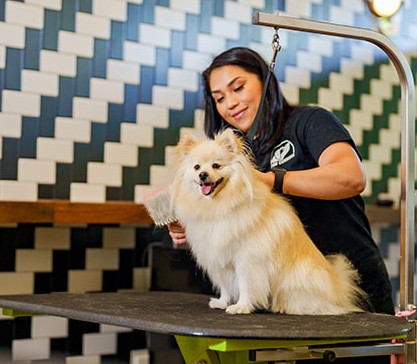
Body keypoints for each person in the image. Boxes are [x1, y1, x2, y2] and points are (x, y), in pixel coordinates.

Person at [167, 47, 395, 319]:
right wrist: (195, 222)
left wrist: (272, 179)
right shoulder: (236, 152)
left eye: (238, 87)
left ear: (265, 82)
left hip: (338, 285)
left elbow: (350, 177)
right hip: (280, 301)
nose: (230, 103)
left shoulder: (308, 122)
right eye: (219, 98)